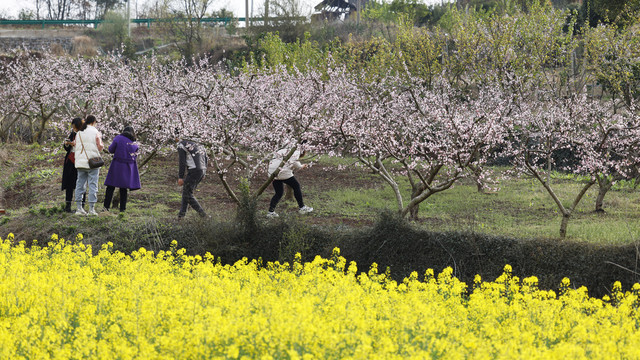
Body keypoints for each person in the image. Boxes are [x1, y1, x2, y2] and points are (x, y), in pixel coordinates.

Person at [103, 126, 141, 212]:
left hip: (116, 165)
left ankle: (106, 207)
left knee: (110, 187)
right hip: (127, 167)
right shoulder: (134, 143)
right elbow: (135, 157)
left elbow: (111, 149)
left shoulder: (118, 138)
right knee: (123, 189)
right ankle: (122, 209)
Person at [267, 148, 313, 218]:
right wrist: (301, 166)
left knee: (279, 193)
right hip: (282, 172)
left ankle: (270, 212)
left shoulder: (285, 146)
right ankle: (302, 207)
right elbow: (294, 161)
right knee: (296, 186)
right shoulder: (297, 150)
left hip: (272, 171)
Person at [74, 115, 104, 216]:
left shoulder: (79, 132)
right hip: (93, 163)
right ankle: (91, 209)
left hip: (80, 163)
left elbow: (76, 145)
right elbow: (100, 147)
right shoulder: (95, 131)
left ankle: (79, 208)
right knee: (92, 185)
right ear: (94, 122)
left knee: (79, 185)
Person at [177, 138, 208, 219]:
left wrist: (180, 177)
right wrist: (204, 172)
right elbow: (206, 157)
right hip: (202, 169)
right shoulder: (198, 142)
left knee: (187, 194)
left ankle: (203, 215)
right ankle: (181, 216)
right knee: (186, 192)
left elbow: (182, 162)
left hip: (194, 170)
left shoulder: (182, 145)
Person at [61, 117, 85, 213]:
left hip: (81, 162)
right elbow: (67, 148)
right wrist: (67, 144)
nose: (74, 129)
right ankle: (68, 206)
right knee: (69, 184)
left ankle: (81, 206)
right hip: (70, 162)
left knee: (81, 185)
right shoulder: (73, 134)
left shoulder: (85, 134)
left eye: (75, 127)